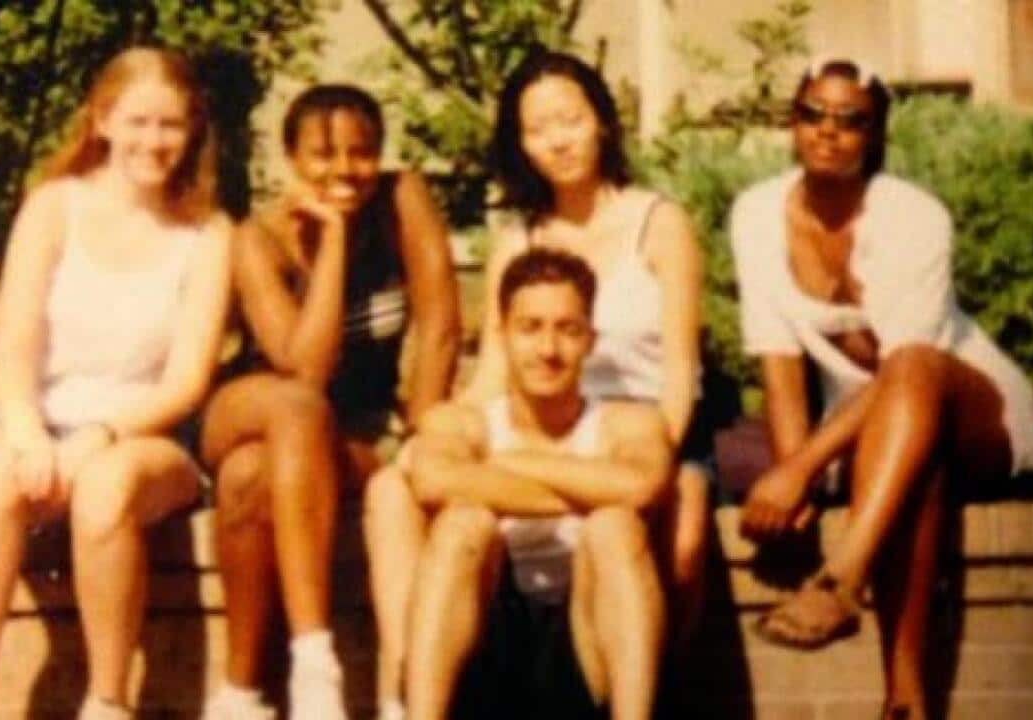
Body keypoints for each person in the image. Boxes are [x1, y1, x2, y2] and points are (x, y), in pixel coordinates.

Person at [363, 50, 707, 720]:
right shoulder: (518, 238)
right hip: (542, 433)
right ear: (518, 143)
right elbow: (495, 369)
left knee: (678, 511)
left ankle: (655, 690)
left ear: (601, 122)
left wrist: (640, 458)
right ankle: (404, 696)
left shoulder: (658, 222)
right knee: (391, 487)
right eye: (537, 128)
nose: (557, 139)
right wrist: (448, 437)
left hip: (642, 428)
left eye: (570, 119)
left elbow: (678, 379)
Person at [729, 57, 1033, 719]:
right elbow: (779, 357)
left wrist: (805, 465)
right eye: (812, 113)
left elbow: (910, 360)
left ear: (875, 135)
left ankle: (841, 579)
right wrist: (796, 484)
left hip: (973, 403)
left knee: (910, 370)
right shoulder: (756, 213)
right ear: (791, 121)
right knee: (913, 464)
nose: (828, 131)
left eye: (851, 121)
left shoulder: (911, 214)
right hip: (879, 432)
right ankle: (905, 700)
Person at [0, 47, 233, 720]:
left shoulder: (207, 232)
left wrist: (99, 437)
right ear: (102, 121)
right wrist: (24, 428)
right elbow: (10, 349)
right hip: (46, 422)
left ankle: (108, 702)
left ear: (192, 129)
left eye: (171, 125)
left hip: (149, 439)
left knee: (104, 490)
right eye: (137, 122)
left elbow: (187, 381)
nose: (153, 142)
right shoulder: (55, 207)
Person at [199, 84, 459, 720]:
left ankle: (241, 695)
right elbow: (306, 368)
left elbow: (442, 325)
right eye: (323, 154)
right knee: (297, 409)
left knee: (247, 479)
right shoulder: (255, 238)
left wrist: (424, 425)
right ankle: (317, 666)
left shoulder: (403, 200)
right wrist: (334, 243)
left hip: (348, 430)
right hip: (251, 405)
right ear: (291, 157)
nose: (345, 169)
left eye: (361, 152)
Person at [405, 247, 671, 720]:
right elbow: (432, 481)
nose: (548, 350)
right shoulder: (462, 424)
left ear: (591, 339)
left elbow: (639, 489)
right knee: (461, 524)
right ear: (502, 334)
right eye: (530, 328)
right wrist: (586, 488)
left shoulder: (628, 423)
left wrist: (507, 464)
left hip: (588, 641)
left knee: (614, 525)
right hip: (486, 639)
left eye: (567, 330)